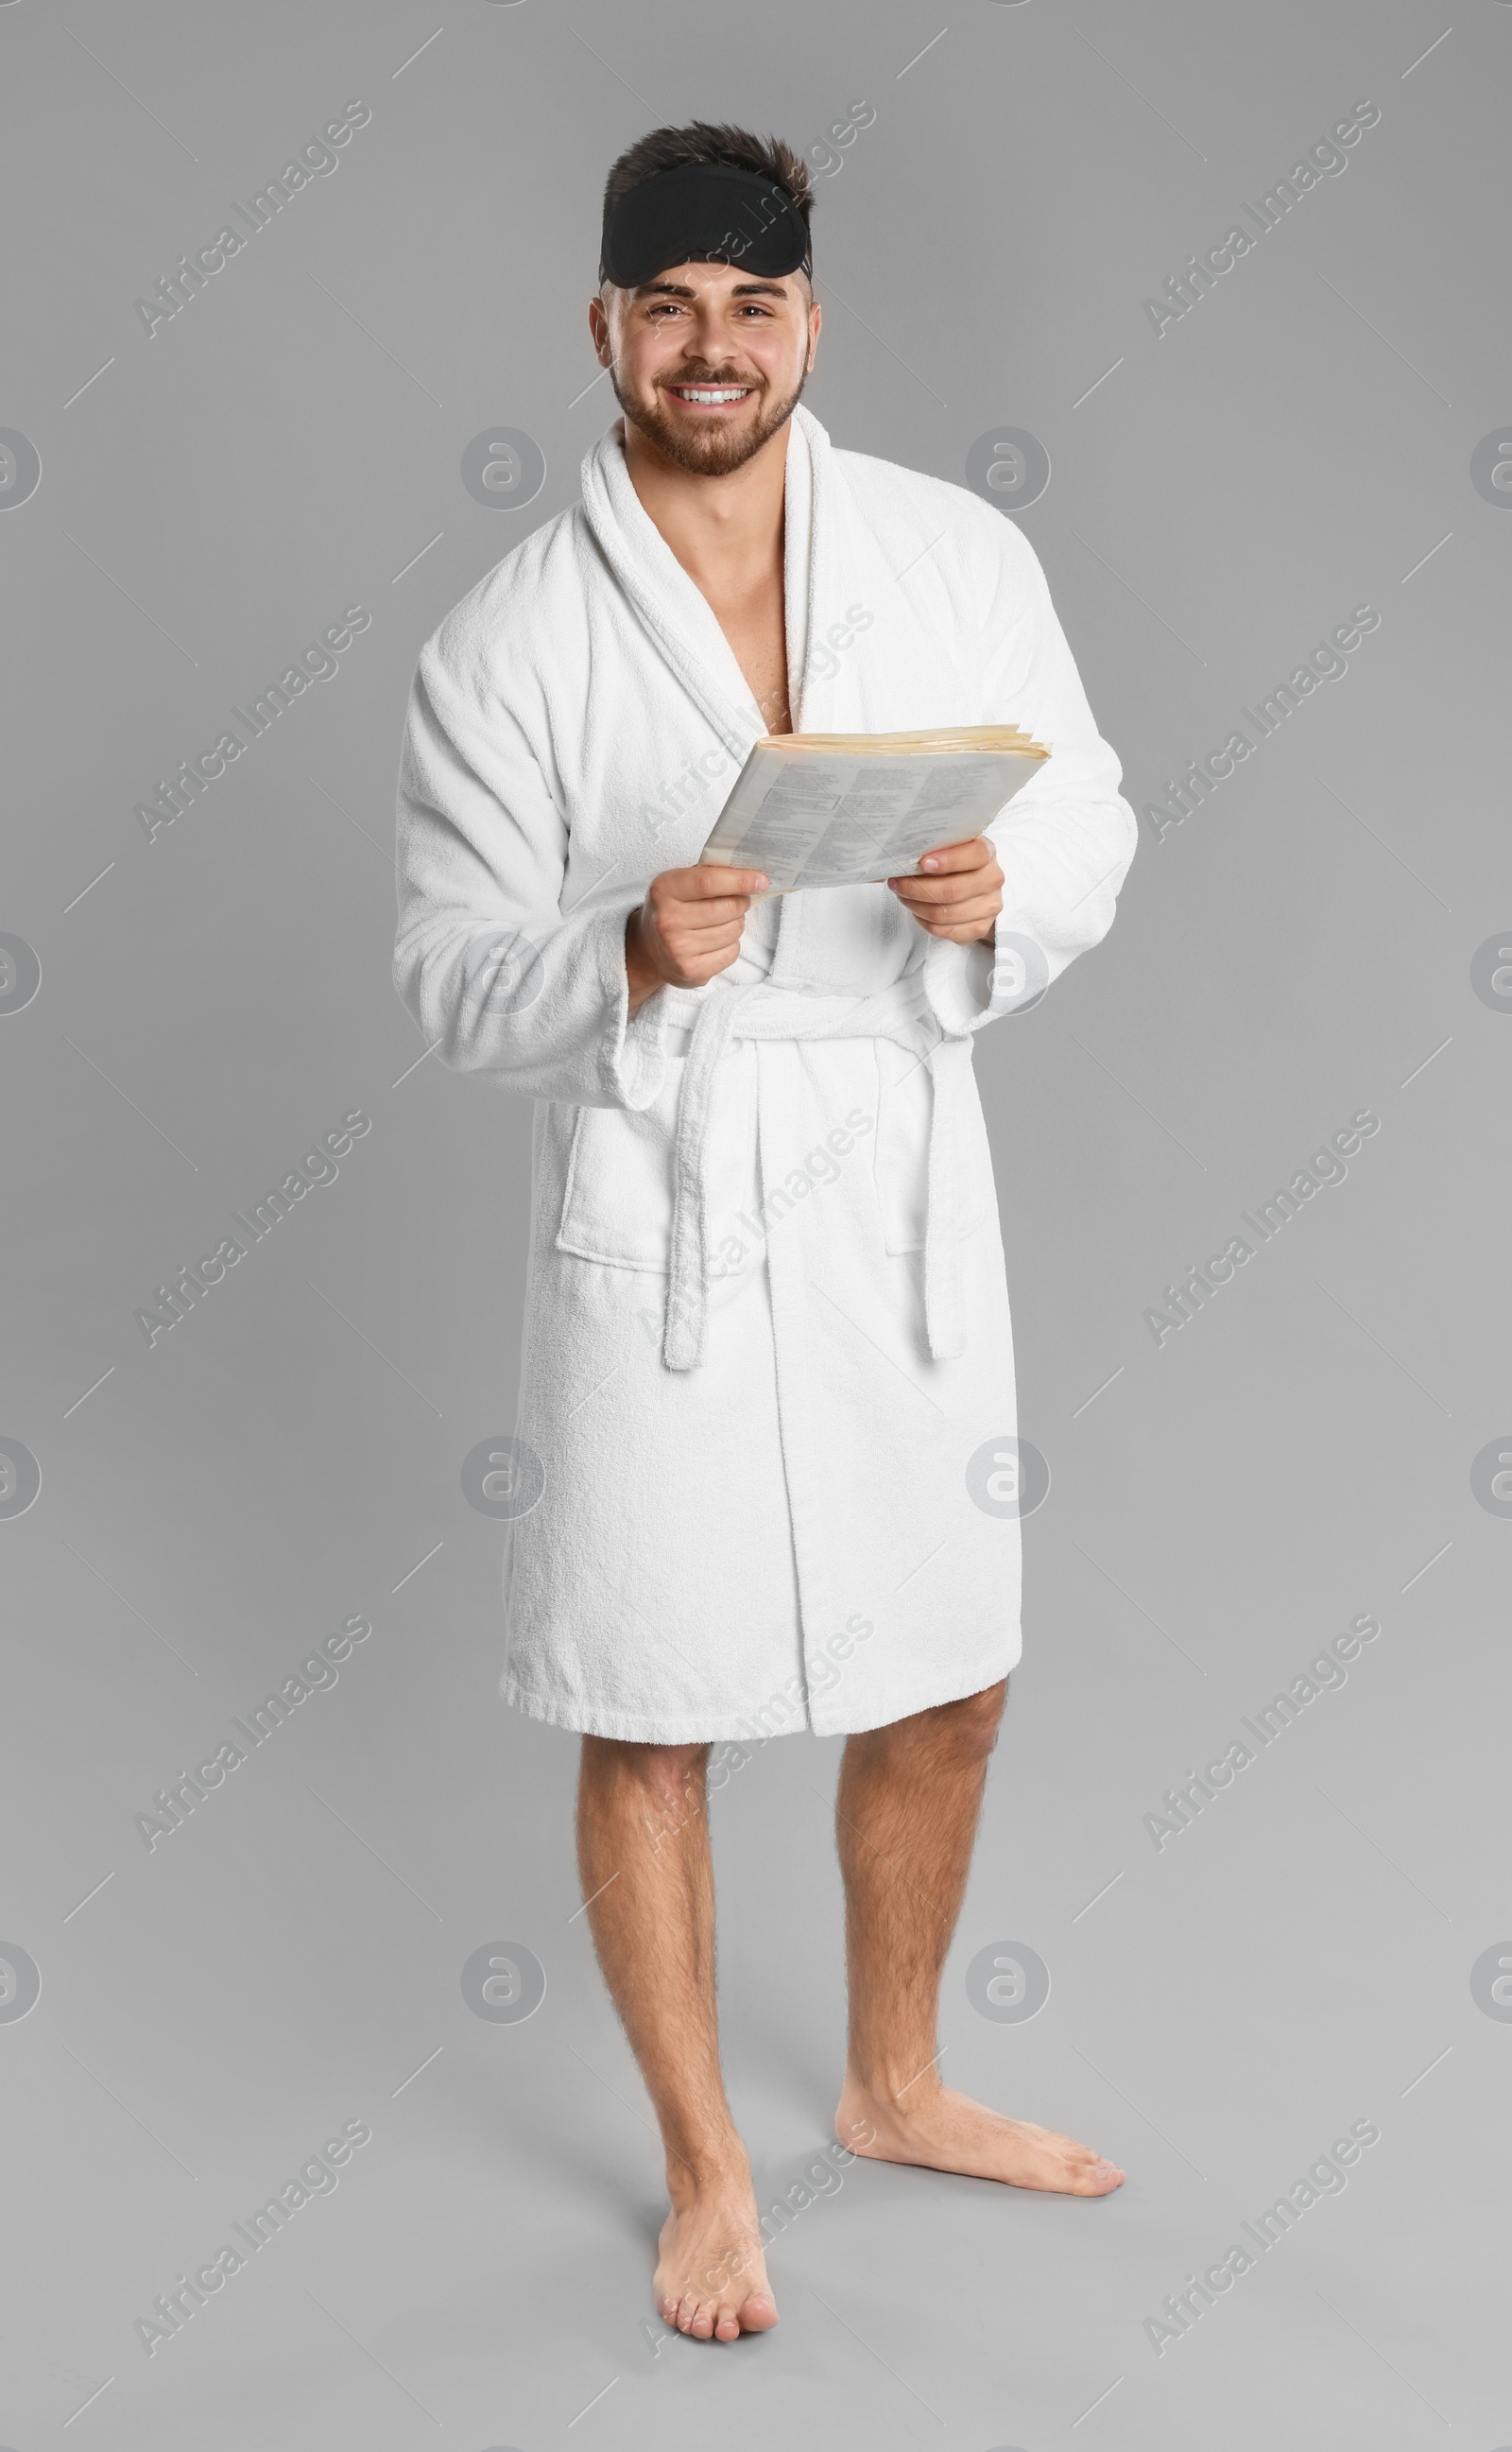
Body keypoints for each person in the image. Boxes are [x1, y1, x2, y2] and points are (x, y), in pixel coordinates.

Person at [393, 119, 1138, 2345]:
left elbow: (1088, 801)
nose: (710, 345)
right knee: (652, 1694)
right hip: (669, 1199)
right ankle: (710, 2174)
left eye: (753, 303)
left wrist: (1001, 891)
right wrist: (622, 947)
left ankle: (896, 2078)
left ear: (808, 319)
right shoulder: (506, 638)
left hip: (894, 1170)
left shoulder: (951, 550)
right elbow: (444, 971)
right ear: (601, 330)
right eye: (668, 306)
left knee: (955, 1669)